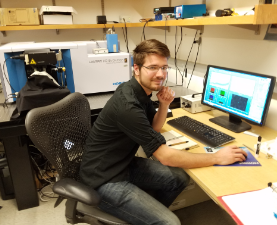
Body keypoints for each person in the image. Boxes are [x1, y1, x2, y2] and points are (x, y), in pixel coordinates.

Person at [79, 39, 247, 225]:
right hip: (103, 178)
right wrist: (217, 157)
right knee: (170, 223)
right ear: (136, 68)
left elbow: (153, 129)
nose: (160, 74)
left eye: (164, 67)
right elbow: (166, 157)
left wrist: (164, 104)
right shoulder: (128, 105)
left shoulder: (138, 91)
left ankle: (145, 217)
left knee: (178, 178)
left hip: (121, 164)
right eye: (153, 67)